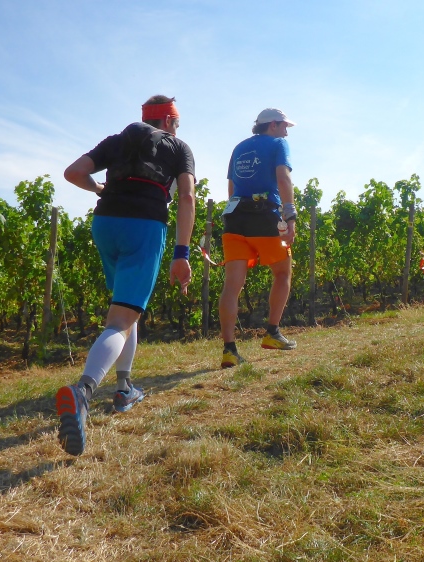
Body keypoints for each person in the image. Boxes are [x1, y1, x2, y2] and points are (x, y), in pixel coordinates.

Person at [56, 95, 196, 456]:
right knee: (121, 320)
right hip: (144, 225)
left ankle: (124, 387)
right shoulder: (178, 147)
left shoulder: (116, 141)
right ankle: (83, 392)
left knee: (126, 309)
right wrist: (182, 253)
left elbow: (73, 173)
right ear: (169, 121)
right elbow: (186, 198)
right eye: (177, 123)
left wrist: (99, 188)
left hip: (105, 223)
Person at [218, 108, 298, 368]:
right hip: (265, 217)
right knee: (283, 273)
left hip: (234, 219)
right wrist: (290, 215)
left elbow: (231, 188)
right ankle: (272, 333)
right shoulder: (278, 144)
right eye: (284, 126)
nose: (286, 132)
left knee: (232, 286)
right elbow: (283, 179)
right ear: (272, 125)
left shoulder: (239, 147)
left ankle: (229, 350)